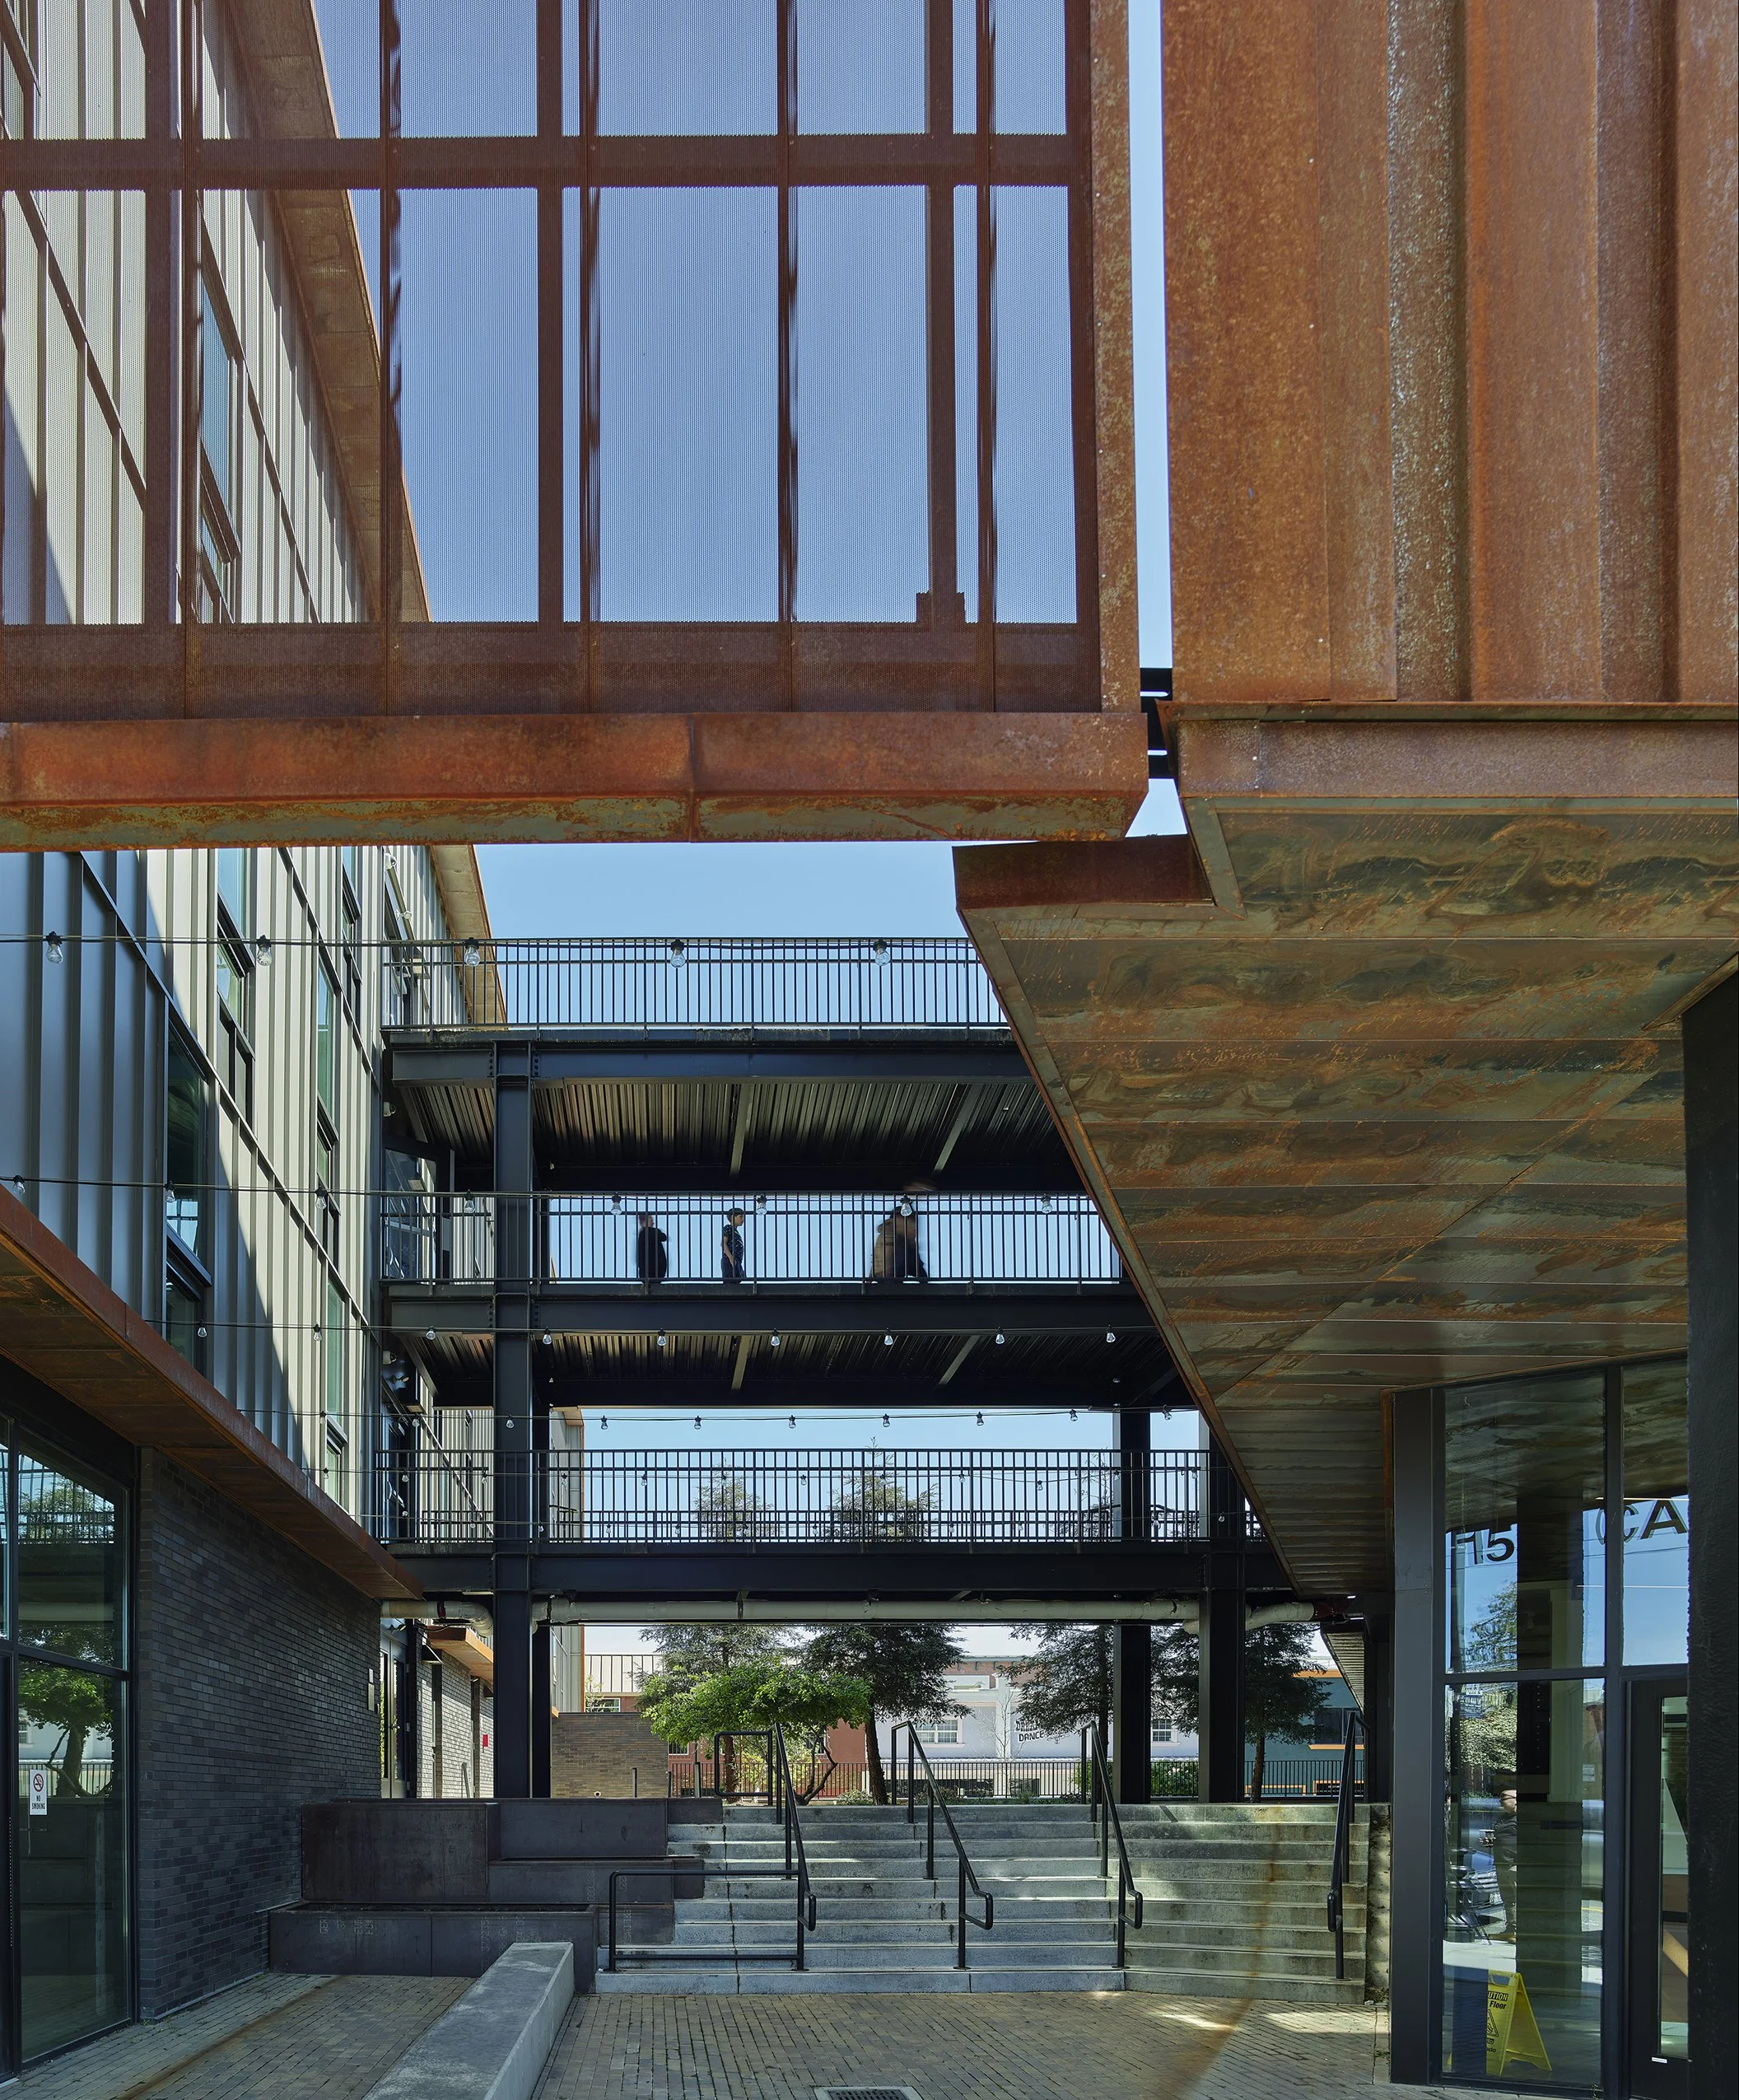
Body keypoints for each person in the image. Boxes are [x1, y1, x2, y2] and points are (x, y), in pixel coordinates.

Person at [870, 1204, 926, 1283]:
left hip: (892, 1273)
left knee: (915, 1262)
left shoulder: (904, 1239)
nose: (914, 1227)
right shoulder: (890, 1232)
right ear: (898, 1219)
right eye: (911, 1222)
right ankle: (923, 1281)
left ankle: (923, 1281)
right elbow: (886, 1251)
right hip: (887, 1275)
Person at [636, 1211, 669, 1283]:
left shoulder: (642, 1234)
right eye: (651, 1220)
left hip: (646, 1274)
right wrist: (657, 1231)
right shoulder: (649, 1233)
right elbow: (663, 1237)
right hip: (654, 1273)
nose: (653, 1223)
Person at [720, 1208, 746, 1284]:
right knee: (729, 1284)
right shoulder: (728, 1228)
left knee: (736, 1283)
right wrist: (730, 1257)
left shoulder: (736, 1232)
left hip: (736, 1261)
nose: (743, 1219)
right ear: (732, 1217)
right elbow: (723, 1243)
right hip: (729, 1260)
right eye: (741, 1217)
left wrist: (741, 1269)